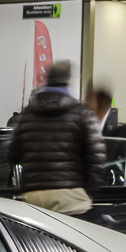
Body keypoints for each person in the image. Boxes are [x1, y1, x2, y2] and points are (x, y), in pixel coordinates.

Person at [9, 61, 105, 216]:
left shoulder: (27, 114)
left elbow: (13, 154)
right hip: (70, 195)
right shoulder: (82, 113)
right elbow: (97, 157)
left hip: (34, 195)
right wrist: (88, 191)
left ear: (48, 79)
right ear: (68, 80)